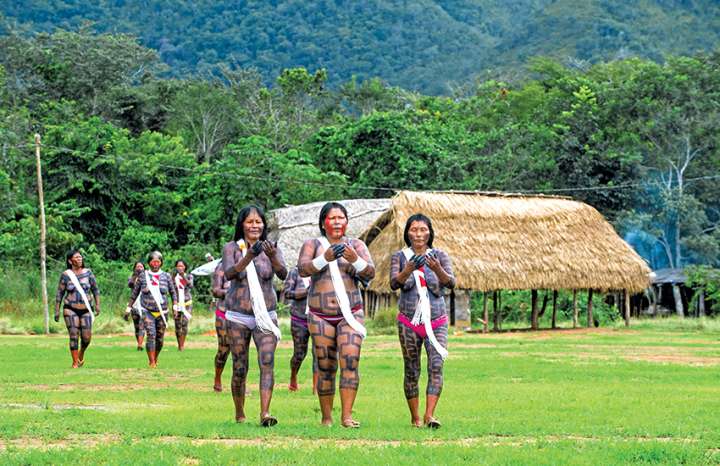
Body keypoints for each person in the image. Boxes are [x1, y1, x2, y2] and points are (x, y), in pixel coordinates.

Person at [298, 201, 375, 427]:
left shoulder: (356, 245)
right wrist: (326, 257)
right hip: (320, 314)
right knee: (325, 365)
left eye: (341, 218)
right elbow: (302, 269)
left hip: (350, 313)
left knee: (350, 360)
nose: (337, 222)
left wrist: (355, 260)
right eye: (332, 218)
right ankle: (327, 418)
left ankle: (347, 416)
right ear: (323, 223)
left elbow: (371, 272)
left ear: (347, 221)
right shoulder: (313, 244)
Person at [222, 205, 287, 426]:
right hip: (238, 316)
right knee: (240, 366)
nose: (254, 225)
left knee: (267, 362)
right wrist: (249, 254)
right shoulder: (231, 247)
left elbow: (283, 274)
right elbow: (231, 273)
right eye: (250, 222)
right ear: (242, 225)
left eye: (258, 222)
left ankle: (265, 413)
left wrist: (272, 256)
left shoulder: (272, 247)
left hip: (266, 315)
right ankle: (239, 413)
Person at [390, 213, 455, 429]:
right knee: (411, 369)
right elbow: (394, 283)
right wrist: (408, 269)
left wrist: (436, 268)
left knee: (436, 365)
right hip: (408, 322)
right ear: (407, 233)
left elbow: (450, 283)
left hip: (436, 321)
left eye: (423, 230)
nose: (418, 234)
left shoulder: (440, 256)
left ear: (430, 232)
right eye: (414, 230)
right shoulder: (400, 256)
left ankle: (430, 415)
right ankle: (415, 417)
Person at [126, 251, 177, 368]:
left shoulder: (166, 276)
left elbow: (173, 292)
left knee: (160, 338)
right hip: (147, 310)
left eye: (158, 262)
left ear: (161, 263)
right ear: (149, 263)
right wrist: (128, 308)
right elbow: (134, 293)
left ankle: (156, 357)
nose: (155, 264)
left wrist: (175, 306)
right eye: (153, 262)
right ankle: (151, 362)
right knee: (151, 335)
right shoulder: (143, 276)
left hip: (162, 312)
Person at [54, 249, 100, 368]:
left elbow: (95, 290)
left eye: (80, 257)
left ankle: (81, 354)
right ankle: (75, 362)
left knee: (86, 338)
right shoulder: (66, 275)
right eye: (76, 257)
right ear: (70, 261)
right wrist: (57, 310)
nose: (79, 259)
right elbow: (60, 293)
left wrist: (98, 305)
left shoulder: (88, 273)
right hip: (70, 308)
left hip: (86, 309)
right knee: (74, 335)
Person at [282, 266, 318, 392]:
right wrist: (306, 292)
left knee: (318, 353)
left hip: (318, 319)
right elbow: (287, 292)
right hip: (299, 318)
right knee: (299, 354)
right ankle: (293, 376)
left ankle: (316, 387)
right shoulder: (295, 272)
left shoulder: (321, 270)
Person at [211, 260, 231, 392]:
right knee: (223, 350)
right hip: (224, 313)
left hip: (243, 315)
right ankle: (217, 376)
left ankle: (240, 383)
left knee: (241, 351)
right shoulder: (222, 267)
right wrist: (231, 292)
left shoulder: (251, 265)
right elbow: (215, 291)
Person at [172, 259, 194, 351]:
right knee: (177, 325)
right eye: (178, 266)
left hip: (187, 303)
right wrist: (174, 306)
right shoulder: (173, 278)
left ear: (185, 267)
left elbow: (190, 286)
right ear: (176, 267)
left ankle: (182, 345)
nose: (180, 268)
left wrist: (183, 277)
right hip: (177, 303)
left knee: (184, 323)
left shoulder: (189, 276)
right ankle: (179, 344)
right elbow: (172, 291)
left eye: (182, 266)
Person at [124, 261, 146, 351]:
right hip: (134, 304)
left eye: (141, 266)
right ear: (134, 268)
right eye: (137, 267)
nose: (139, 268)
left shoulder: (147, 277)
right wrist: (135, 276)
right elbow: (130, 285)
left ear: (144, 268)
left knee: (142, 325)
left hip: (144, 305)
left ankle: (140, 345)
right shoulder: (132, 277)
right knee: (136, 326)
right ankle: (139, 342)